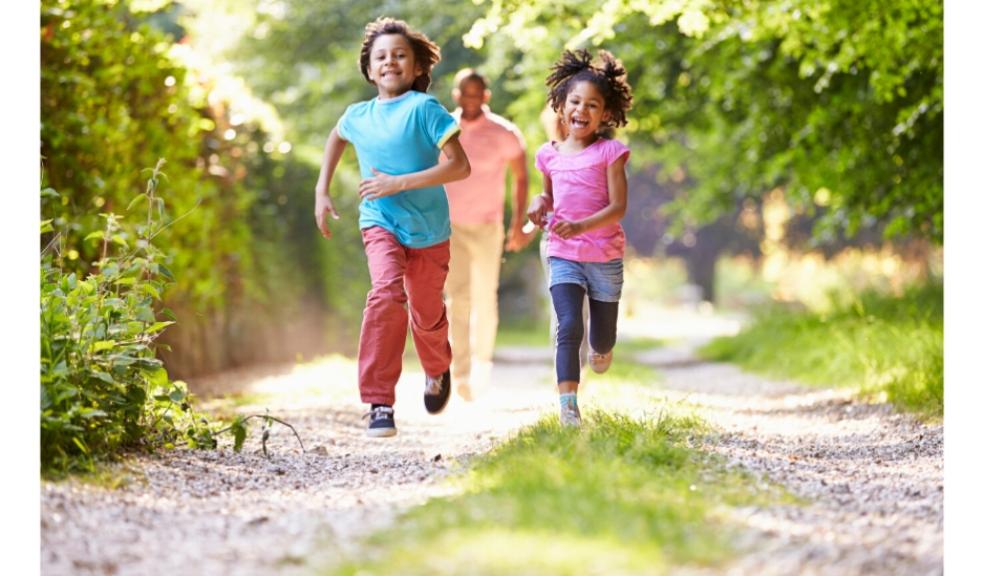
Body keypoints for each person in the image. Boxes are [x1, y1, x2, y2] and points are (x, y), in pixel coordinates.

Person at [313, 17, 471, 437]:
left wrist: (399, 182)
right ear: (368, 69)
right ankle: (379, 401)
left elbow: (459, 165)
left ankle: (437, 368)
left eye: (400, 55)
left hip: (429, 230)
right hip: (379, 221)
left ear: (417, 67)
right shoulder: (358, 115)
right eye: (380, 56)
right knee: (385, 294)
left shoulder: (425, 109)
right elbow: (336, 136)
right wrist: (321, 190)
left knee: (426, 311)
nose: (390, 62)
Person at [527, 49, 633, 428]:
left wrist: (583, 226)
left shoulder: (611, 153)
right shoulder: (548, 155)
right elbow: (549, 198)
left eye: (592, 105)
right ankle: (568, 406)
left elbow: (618, 207)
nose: (581, 110)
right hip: (563, 253)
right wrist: (539, 204)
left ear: (605, 113)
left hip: (604, 256)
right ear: (560, 104)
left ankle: (602, 350)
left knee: (601, 339)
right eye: (575, 101)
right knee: (568, 325)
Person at [444, 68, 531, 402]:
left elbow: (521, 177)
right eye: (465, 93)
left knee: (485, 297)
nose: (470, 99)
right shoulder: (444, 129)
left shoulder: (504, 133)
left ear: (486, 96)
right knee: (458, 298)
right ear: (456, 95)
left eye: (477, 93)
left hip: (487, 227)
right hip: (451, 227)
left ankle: (483, 363)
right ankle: (460, 372)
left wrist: (517, 225)